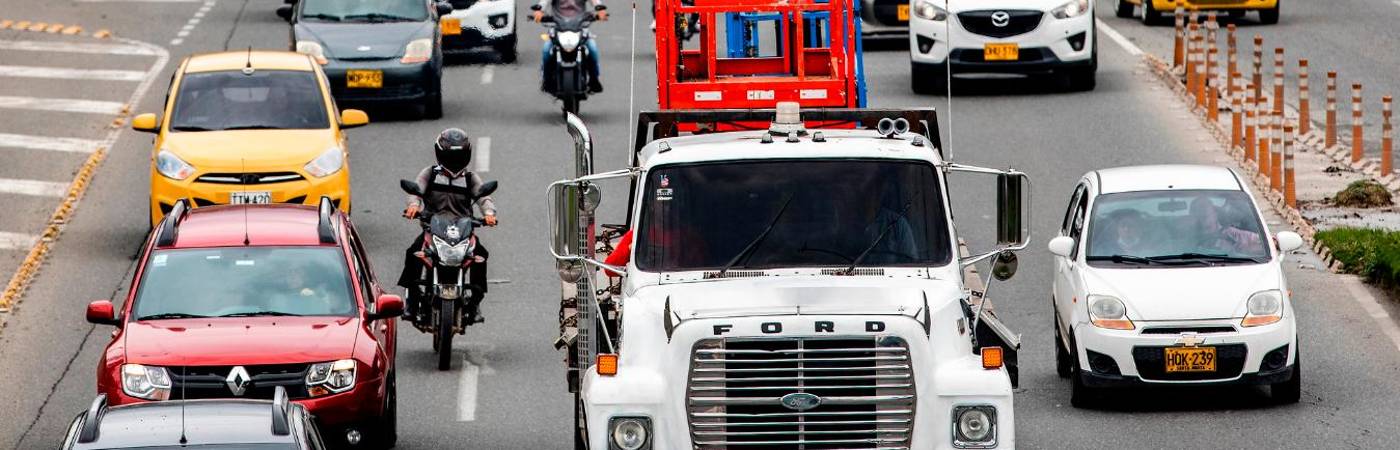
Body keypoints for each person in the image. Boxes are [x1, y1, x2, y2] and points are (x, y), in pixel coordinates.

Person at [398, 128, 498, 324]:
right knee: (413, 254)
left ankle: (475, 302)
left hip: (463, 231)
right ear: (439, 153)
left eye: (459, 155)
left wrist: (489, 214)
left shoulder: (470, 179)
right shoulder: (430, 174)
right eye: (450, 155)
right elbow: (416, 191)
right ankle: (411, 301)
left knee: (481, 256)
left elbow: (483, 198)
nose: (455, 159)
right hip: (433, 229)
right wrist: (413, 206)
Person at [532, 0, 608, 94]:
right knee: (546, 50)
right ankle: (547, 81)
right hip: (558, 27)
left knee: (592, 48)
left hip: (580, 27)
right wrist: (539, 11)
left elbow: (595, 2)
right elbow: (543, 2)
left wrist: (600, 10)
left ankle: (594, 80)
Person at [1190, 197, 1262, 254]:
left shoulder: (1232, 234)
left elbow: (1262, 244)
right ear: (1193, 216)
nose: (1202, 211)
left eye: (1205, 208)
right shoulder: (1187, 236)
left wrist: (1244, 249)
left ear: (1215, 213)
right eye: (1198, 210)